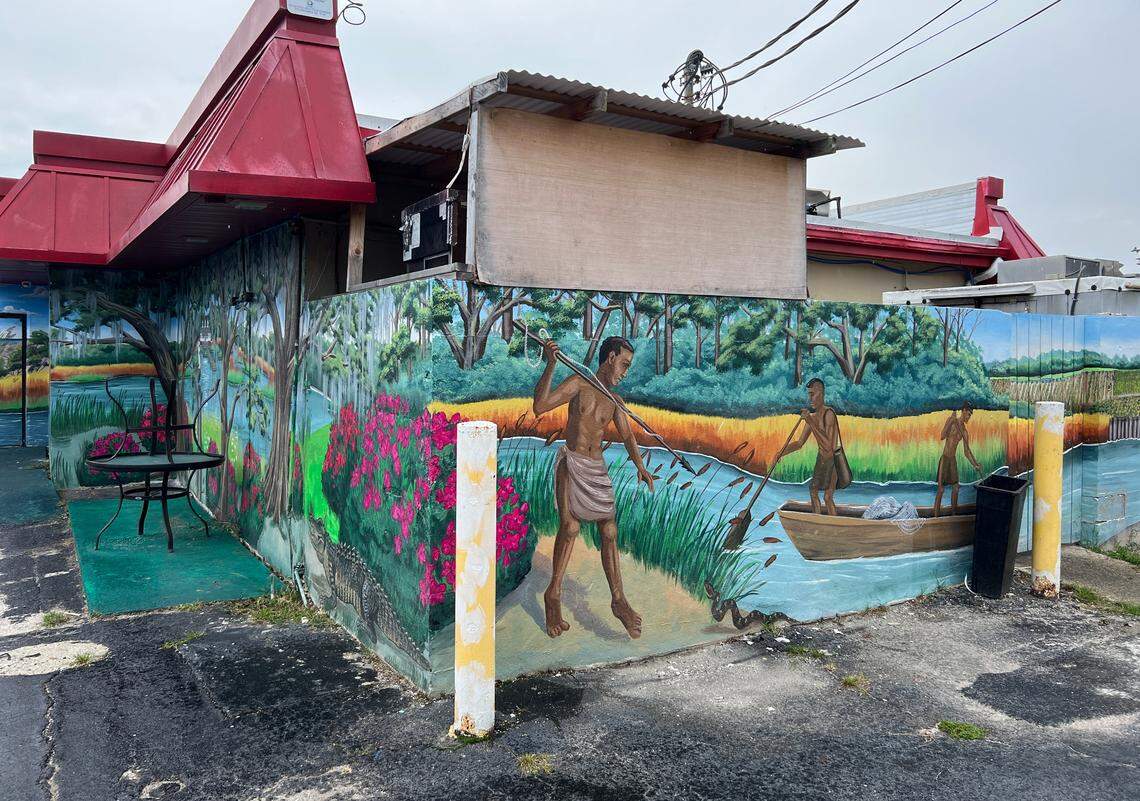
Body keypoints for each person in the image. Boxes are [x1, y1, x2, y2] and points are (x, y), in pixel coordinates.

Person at [532, 335, 655, 639]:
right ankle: (553, 595)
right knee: (570, 527)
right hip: (572, 463)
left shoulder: (616, 402)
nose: (625, 371)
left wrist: (640, 467)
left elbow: (627, 437)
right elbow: (539, 406)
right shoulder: (578, 383)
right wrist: (550, 365)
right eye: (624, 364)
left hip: (596, 469)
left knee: (610, 531)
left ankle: (618, 600)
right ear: (610, 357)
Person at [775, 378, 841, 516]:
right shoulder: (813, 416)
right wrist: (781, 453)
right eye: (808, 394)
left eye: (813, 394)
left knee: (828, 498)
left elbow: (829, 445)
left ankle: (834, 526)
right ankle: (817, 521)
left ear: (821, 394)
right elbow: (799, 443)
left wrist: (810, 421)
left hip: (832, 460)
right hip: (821, 458)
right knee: (813, 491)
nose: (810, 398)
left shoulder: (829, 414)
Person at [934, 402, 982, 516]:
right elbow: (942, 436)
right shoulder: (952, 420)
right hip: (945, 459)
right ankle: (935, 517)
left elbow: (967, 452)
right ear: (963, 411)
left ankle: (954, 515)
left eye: (970, 415)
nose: (969, 417)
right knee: (941, 489)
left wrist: (975, 465)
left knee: (956, 488)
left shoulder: (964, 432)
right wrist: (950, 422)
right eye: (968, 414)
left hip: (952, 461)